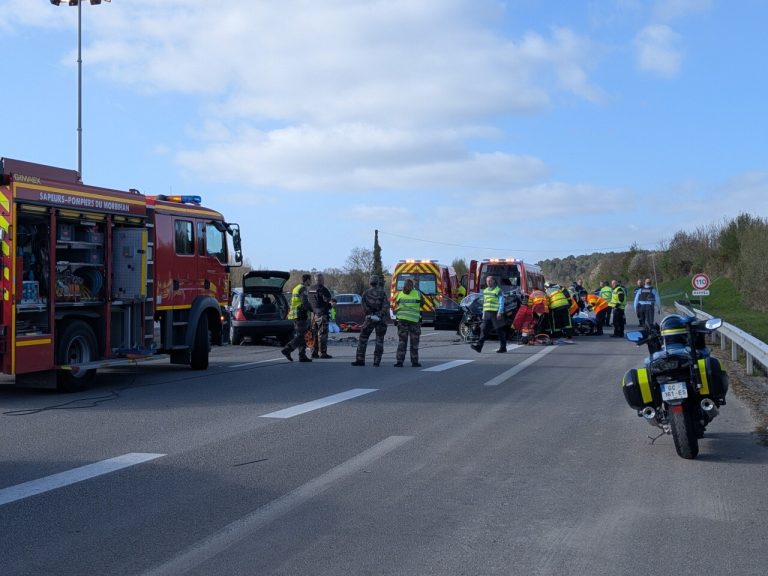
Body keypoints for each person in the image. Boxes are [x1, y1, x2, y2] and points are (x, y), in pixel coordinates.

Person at [351, 275, 389, 366]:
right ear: (378, 282)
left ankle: (360, 360)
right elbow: (385, 306)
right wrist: (379, 315)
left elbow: (363, 306)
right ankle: (376, 361)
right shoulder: (382, 293)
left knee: (363, 338)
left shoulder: (366, 293)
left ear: (370, 282)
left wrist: (370, 315)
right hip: (380, 320)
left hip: (369, 319)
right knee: (379, 340)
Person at [470, 275, 507, 353]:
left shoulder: (498, 290)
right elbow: (484, 302)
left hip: (495, 313)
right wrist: (483, 313)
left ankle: (503, 347)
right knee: (483, 330)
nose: (488, 282)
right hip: (487, 313)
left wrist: (500, 312)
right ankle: (479, 347)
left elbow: (501, 301)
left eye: (490, 281)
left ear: (493, 281)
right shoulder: (485, 291)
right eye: (487, 281)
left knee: (499, 331)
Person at [281, 274, 313, 362]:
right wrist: (313, 310)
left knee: (302, 335)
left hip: (295, 314)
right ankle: (287, 349)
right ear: (307, 280)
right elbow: (305, 302)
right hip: (300, 314)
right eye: (310, 280)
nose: (311, 282)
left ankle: (302, 356)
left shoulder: (296, 288)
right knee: (301, 336)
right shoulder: (303, 288)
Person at [393, 278, 423, 367]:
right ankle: (414, 362)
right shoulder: (417, 293)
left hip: (402, 321)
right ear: (412, 286)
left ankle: (399, 361)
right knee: (414, 342)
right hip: (414, 321)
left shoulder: (399, 294)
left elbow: (397, 304)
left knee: (402, 341)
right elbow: (422, 303)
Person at [307, 272, 333, 359]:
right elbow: (328, 301)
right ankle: (323, 353)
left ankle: (314, 353)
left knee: (313, 334)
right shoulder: (323, 289)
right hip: (322, 315)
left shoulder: (310, 289)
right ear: (321, 280)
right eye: (323, 279)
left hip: (313, 315)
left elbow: (308, 302)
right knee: (322, 334)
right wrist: (331, 305)